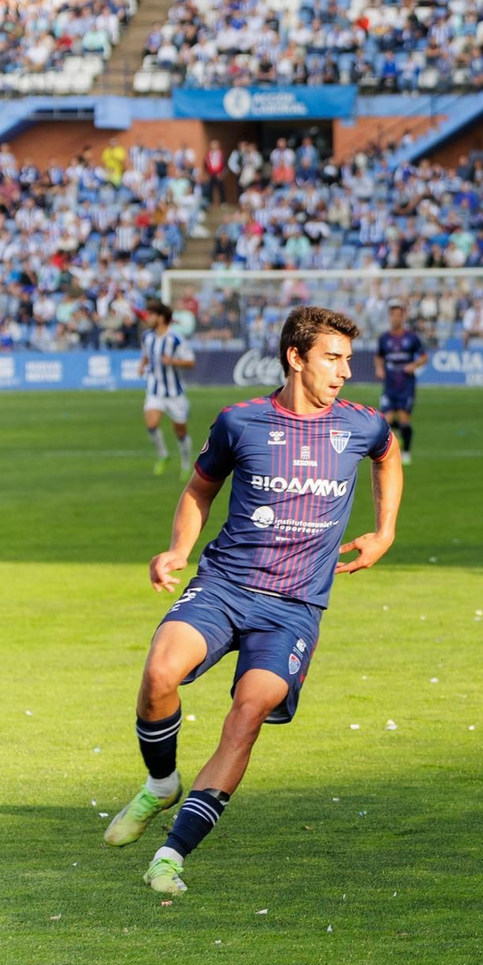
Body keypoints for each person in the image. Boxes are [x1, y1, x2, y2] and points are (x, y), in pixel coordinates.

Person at [104, 307, 403, 894]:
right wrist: (176, 550)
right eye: (333, 358)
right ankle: (161, 783)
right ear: (296, 357)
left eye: (348, 359)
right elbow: (200, 487)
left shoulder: (361, 425)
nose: (345, 371)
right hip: (223, 586)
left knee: (246, 715)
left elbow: (388, 455)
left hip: (294, 608)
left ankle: (171, 854)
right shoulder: (240, 422)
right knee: (159, 673)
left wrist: (385, 530)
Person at [138, 300, 196, 478]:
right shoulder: (147, 336)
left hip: (174, 394)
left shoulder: (175, 338)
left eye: (151, 315)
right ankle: (163, 455)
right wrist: (142, 365)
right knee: (151, 424)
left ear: (161, 318)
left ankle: (186, 463)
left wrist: (172, 361)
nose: (147, 318)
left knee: (180, 431)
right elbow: (147, 355)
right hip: (155, 390)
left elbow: (190, 362)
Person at [375, 301, 428, 465]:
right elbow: (379, 355)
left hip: (406, 385)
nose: (395, 318)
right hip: (390, 385)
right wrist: (379, 369)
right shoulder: (384, 338)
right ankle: (389, 452)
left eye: (398, 315)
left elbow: (424, 356)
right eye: (393, 315)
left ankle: (406, 451)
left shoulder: (411, 337)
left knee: (405, 419)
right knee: (386, 421)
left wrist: (414, 365)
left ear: (403, 317)